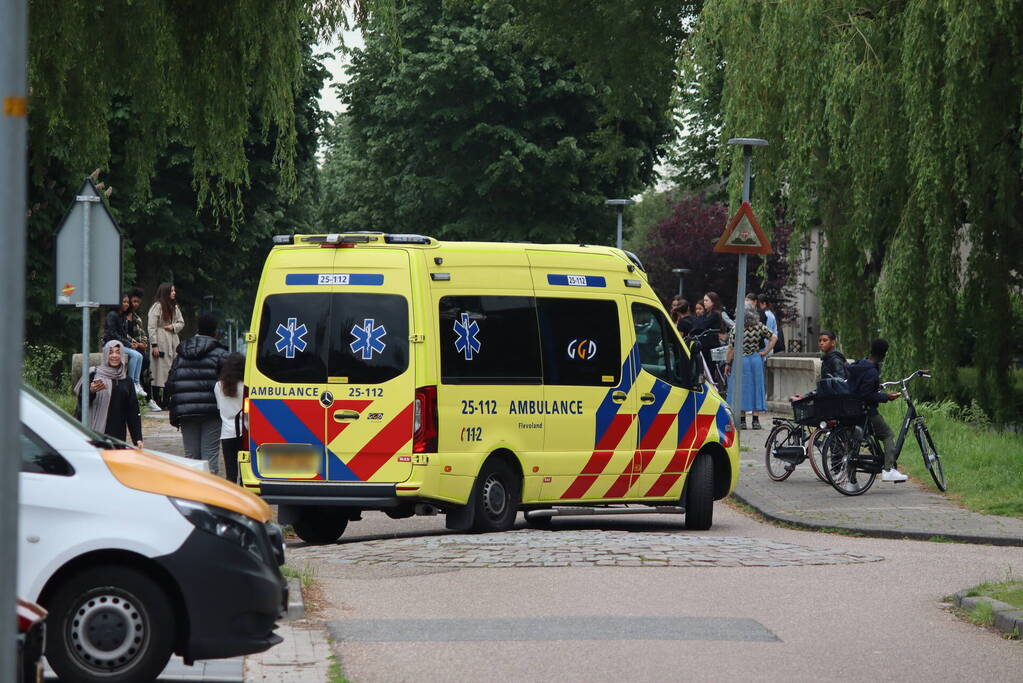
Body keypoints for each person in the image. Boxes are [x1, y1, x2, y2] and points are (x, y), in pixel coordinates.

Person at [167, 312, 230, 472]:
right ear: (215, 331)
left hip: (186, 412)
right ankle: (209, 495)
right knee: (210, 458)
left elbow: (170, 384)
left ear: (197, 328)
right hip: (212, 412)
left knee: (191, 458)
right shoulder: (221, 354)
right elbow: (229, 384)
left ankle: (191, 494)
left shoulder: (181, 354)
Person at [847, 338, 906, 483]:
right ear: (884, 354)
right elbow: (866, 395)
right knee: (887, 435)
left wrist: (876, 388)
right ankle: (888, 470)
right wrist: (887, 397)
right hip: (866, 411)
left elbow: (859, 387)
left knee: (855, 443)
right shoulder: (872, 371)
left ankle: (851, 482)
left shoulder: (860, 363)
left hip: (852, 409)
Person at [74, 340, 143, 447]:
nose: (114, 355)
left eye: (117, 352)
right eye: (110, 352)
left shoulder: (126, 380)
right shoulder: (93, 374)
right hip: (94, 435)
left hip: (117, 436)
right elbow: (81, 403)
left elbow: (132, 411)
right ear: (106, 354)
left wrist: (137, 438)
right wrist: (91, 391)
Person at [724, 299, 777, 430]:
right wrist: (764, 352)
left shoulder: (736, 329)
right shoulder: (759, 326)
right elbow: (774, 337)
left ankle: (742, 420)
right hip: (755, 359)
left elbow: (731, 348)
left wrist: (727, 363)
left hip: (741, 360)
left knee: (741, 388)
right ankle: (756, 420)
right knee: (756, 387)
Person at [148, 282, 184, 409]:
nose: (174, 293)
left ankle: (167, 399)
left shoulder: (174, 307)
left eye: (174, 290)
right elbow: (152, 326)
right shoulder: (157, 307)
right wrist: (154, 345)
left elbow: (181, 322)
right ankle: (157, 400)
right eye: (172, 291)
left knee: (171, 370)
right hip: (161, 340)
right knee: (158, 371)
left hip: (173, 341)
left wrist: (173, 327)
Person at [102, 294, 146, 397]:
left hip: (119, 344)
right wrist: (128, 344)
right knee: (135, 355)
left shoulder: (122, 316)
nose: (126, 304)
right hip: (111, 344)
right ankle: (130, 383)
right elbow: (112, 334)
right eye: (124, 302)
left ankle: (136, 383)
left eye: (127, 302)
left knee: (139, 355)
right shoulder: (112, 315)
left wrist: (131, 343)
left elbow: (123, 334)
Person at [215, 352, 246, 484]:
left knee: (230, 473)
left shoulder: (219, 386)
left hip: (227, 433)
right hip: (245, 431)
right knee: (245, 474)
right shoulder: (246, 386)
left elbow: (219, 407)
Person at [127, 287, 160, 411]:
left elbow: (143, 334)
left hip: (138, 349)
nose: (135, 304)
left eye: (138, 302)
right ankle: (137, 387)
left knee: (146, 363)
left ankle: (148, 398)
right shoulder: (123, 317)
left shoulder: (137, 318)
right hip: (128, 347)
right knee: (143, 362)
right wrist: (136, 343)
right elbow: (123, 334)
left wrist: (144, 344)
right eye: (133, 301)